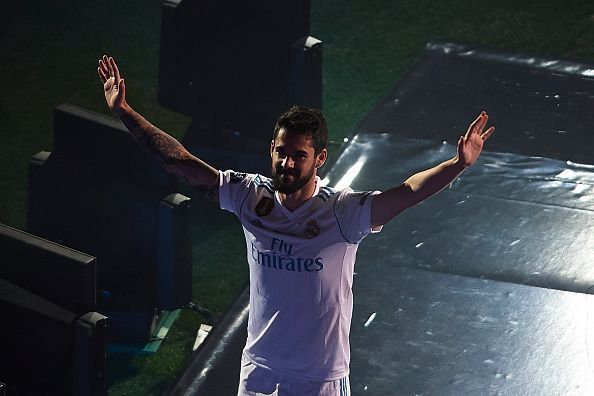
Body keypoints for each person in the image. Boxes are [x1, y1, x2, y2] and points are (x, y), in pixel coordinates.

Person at [98, 55, 494, 396]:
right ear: (271, 148)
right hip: (259, 370)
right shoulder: (248, 196)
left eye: (298, 156)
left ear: (319, 158)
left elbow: (406, 192)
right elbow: (181, 164)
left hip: (318, 379)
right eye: (281, 152)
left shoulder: (341, 212)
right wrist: (125, 112)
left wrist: (458, 165)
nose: (287, 163)